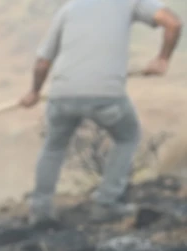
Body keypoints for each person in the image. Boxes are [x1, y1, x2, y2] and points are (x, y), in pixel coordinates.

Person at [20, 0, 181, 222]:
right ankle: (106, 202)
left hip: (63, 93)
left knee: (53, 147)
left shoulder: (68, 9)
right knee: (128, 137)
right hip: (106, 95)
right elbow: (173, 22)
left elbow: (43, 62)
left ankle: (40, 210)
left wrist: (34, 92)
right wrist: (162, 60)